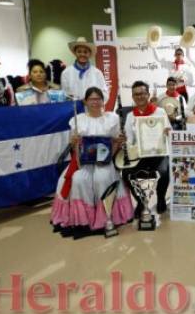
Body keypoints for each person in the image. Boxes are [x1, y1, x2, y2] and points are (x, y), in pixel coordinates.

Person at [51, 87, 133, 238]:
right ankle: (84, 221)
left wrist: (119, 142)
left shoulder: (112, 118)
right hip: (84, 162)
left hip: (105, 161)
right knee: (78, 179)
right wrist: (74, 142)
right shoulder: (78, 120)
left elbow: (115, 144)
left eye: (98, 99)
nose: (95, 102)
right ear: (85, 101)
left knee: (101, 178)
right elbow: (76, 150)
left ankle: (105, 219)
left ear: (103, 101)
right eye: (91, 99)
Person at [119, 81, 171, 215]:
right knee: (126, 174)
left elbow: (169, 133)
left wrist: (168, 132)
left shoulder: (160, 112)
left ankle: (160, 199)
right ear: (133, 97)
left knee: (164, 172)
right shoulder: (130, 116)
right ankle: (141, 201)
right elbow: (130, 140)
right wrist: (126, 142)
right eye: (136, 94)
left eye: (142, 93)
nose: (139, 97)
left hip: (158, 154)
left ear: (148, 95)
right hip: (140, 155)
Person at [60, 37, 109, 102]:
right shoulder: (66, 73)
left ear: (89, 53)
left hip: (93, 109)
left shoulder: (97, 73)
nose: (82, 54)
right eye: (79, 51)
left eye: (85, 52)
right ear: (75, 53)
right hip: (74, 110)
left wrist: (93, 100)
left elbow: (105, 94)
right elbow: (64, 96)